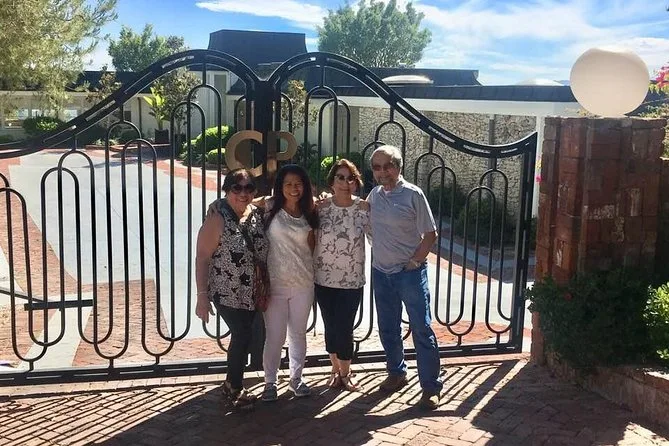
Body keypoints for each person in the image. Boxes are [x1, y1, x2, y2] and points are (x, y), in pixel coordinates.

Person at [367, 145, 443, 410]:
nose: (383, 172)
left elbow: (430, 234)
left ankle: (431, 387)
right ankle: (397, 372)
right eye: (377, 167)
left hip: (409, 274)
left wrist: (415, 262)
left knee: (421, 329)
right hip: (381, 273)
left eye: (388, 166)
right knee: (388, 327)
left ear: (398, 167)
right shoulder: (374, 196)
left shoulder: (413, 194)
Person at [195, 169, 268, 411]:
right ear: (227, 190)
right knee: (242, 334)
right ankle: (234, 386)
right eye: (237, 188)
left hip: (252, 291)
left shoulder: (255, 213)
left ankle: (231, 383)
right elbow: (202, 257)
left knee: (244, 336)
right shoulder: (217, 218)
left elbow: (279, 199)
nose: (243, 193)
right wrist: (202, 297)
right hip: (226, 290)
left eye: (249, 188)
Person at [260, 164, 319, 402]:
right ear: (280, 186)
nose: (294, 188)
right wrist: (216, 207)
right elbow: (241, 205)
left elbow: (312, 247)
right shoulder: (269, 206)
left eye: (298, 184)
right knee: (275, 335)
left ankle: (296, 378)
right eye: (288, 184)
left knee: (298, 334)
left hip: (303, 283)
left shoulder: (310, 211)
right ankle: (270, 382)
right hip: (275, 284)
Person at [314, 159, 371, 391]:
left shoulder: (364, 208)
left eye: (350, 178)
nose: (346, 183)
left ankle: (346, 373)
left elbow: (378, 237)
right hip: (323, 277)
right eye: (340, 177)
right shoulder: (320, 208)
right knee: (330, 325)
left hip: (351, 279)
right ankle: (335, 369)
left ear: (356, 183)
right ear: (332, 181)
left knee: (345, 326)